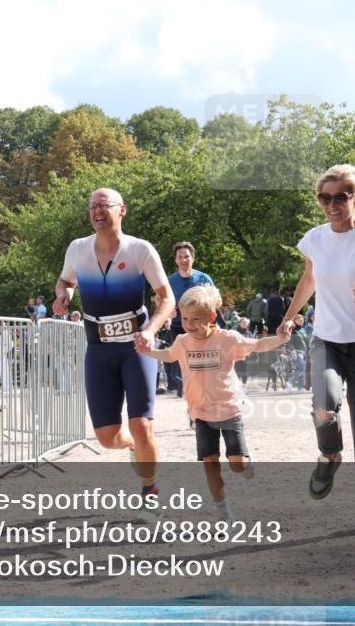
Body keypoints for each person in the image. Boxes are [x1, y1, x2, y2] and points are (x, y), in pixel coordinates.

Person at [277, 163, 355, 536]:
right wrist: (288, 317)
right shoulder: (315, 238)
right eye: (325, 198)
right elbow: (309, 279)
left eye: (340, 197)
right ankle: (329, 455)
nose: (332, 204)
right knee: (322, 406)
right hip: (326, 339)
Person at [52, 187, 175, 522]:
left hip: (137, 347)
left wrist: (151, 331)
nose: (97, 211)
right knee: (107, 438)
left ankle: (149, 490)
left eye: (104, 205)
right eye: (92, 206)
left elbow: (167, 298)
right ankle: (131, 446)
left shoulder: (140, 250)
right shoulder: (78, 249)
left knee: (142, 424)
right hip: (98, 348)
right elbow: (64, 282)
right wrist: (62, 295)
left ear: (123, 210)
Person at [139, 286, 287, 520]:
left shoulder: (227, 339)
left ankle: (246, 464)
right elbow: (169, 355)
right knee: (210, 463)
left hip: (228, 411)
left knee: (237, 465)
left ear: (211, 317)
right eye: (185, 318)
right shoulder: (182, 341)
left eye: (195, 319)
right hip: (200, 413)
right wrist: (149, 352)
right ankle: (224, 514)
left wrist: (280, 339)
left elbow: (257, 345)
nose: (189, 324)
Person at [167, 241, 219, 400]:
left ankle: (208, 401)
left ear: (193, 258)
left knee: (205, 369)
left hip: (203, 329)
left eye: (187, 256)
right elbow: (161, 301)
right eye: (180, 257)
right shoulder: (169, 281)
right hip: (179, 328)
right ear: (176, 260)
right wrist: (169, 315)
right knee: (185, 370)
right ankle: (193, 406)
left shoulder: (203, 278)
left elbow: (217, 301)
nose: (184, 259)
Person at [285, 314, 310, 392]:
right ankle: (290, 382)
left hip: (304, 352)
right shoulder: (292, 330)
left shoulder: (303, 330)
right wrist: (292, 351)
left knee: (301, 369)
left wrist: (309, 349)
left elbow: (306, 341)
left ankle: (301, 387)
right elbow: (289, 342)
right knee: (302, 368)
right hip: (296, 352)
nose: (301, 321)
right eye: (299, 319)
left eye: (302, 319)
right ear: (295, 320)